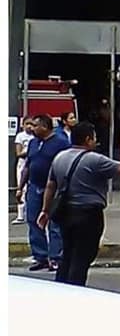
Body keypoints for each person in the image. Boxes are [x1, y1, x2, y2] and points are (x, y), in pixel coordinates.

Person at [38, 122, 120, 287]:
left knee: (67, 253)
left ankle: (61, 288)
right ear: (88, 139)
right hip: (88, 215)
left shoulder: (60, 157)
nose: (95, 142)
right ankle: (75, 290)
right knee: (82, 257)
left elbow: (50, 185)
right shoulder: (94, 159)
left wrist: (45, 211)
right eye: (94, 138)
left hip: (65, 213)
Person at [15, 115, 69, 271]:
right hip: (34, 186)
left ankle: (56, 257)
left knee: (54, 223)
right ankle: (40, 256)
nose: (31, 128)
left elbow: (66, 163)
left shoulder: (61, 143)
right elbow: (27, 166)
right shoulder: (33, 143)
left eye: (35, 125)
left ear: (45, 127)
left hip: (53, 188)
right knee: (33, 221)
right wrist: (20, 187)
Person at [12, 117, 35, 224]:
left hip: (33, 164)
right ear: (23, 125)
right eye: (27, 124)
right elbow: (19, 153)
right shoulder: (20, 136)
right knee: (22, 188)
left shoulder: (35, 136)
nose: (29, 126)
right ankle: (20, 214)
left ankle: (29, 212)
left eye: (31, 124)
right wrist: (29, 151)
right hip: (23, 164)